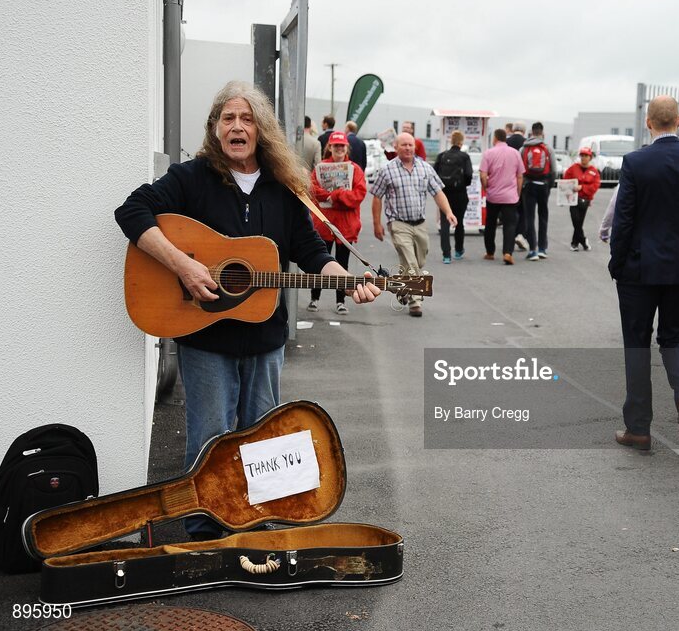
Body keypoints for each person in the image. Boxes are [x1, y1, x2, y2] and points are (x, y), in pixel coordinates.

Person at [115, 81, 380, 540]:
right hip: (205, 338)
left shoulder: (284, 189)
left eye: (247, 119)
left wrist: (349, 280)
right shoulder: (191, 178)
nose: (237, 127)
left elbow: (311, 252)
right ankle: (205, 533)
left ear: (262, 130)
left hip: (264, 339)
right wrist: (183, 266)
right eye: (228, 119)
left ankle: (256, 528)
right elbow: (132, 211)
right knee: (210, 439)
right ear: (215, 128)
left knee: (261, 442)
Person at [609, 96, 679, 454]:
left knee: (637, 343)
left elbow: (624, 219)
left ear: (649, 123)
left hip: (639, 268)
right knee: (673, 337)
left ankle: (638, 428)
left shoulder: (635, 162)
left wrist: (616, 263)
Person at [370, 132, 457, 317]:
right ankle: (415, 301)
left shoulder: (425, 168)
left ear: (415, 147)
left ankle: (401, 288)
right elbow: (377, 197)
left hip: (420, 224)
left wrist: (448, 212)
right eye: (404, 145)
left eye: (410, 145)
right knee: (411, 263)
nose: (408, 148)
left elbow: (437, 193)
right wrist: (377, 224)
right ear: (396, 147)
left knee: (419, 260)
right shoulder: (387, 170)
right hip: (398, 224)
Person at [307, 131, 368, 315]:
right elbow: (312, 189)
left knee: (342, 266)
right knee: (319, 262)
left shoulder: (355, 169)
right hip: (324, 224)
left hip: (346, 225)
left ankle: (341, 301)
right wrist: (331, 196)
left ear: (346, 147)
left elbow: (359, 194)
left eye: (342, 146)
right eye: (336, 145)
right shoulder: (320, 167)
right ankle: (314, 298)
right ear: (330, 147)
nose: (339, 149)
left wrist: (336, 195)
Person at [479, 128, 525, 265]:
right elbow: (520, 176)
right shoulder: (516, 153)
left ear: (495, 138)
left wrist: (486, 187)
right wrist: (518, 192)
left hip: (493, 195)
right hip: (510, 196)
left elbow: (482, 174)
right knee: (510, 225)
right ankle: (507, 253)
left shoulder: (488, 153)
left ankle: (490, 252)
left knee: (490, 224)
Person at [433, 130, 474, 263]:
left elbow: (434, 173)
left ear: (451, 141)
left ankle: (446, 255)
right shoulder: (464, 157)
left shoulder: (442, 156)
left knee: (445, 223)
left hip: (444, 194)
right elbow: (468, 175)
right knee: (459, 222)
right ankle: (458, 249)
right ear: (461, 142)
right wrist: (463, 184)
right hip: (460, 194)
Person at [519, 122, 558, 260]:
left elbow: (520, 170)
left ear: (531, 132)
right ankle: (542, 248)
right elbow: (554, 169)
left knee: (529, 217)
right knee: (543, 216)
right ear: (542, 133)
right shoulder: (547, 148)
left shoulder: (524, 148)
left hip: (528, 185)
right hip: (544, 184)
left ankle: (532, 249)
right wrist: (549, 185)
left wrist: (522, 185)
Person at [563, 146, 602, 252]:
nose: (584, 158)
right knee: (576, 220)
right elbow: (565, 180)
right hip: (573, 199)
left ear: (590, 157)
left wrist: (583, 188)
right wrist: (572, 186)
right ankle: (583, 240)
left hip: (585, 200)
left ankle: (575, 243)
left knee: (579, 222)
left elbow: (595, 185)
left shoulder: (594, 171)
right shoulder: (573, 168)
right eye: (582, 155)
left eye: (586, 156)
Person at [506, 122, 529, 251]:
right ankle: (521, 234)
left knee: (510, 210)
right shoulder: (527, 143)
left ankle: (511, 235)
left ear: (513, 130)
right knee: (523, 210)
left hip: (507, 181)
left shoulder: (507, 142)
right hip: (523, 180)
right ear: (524, 131)